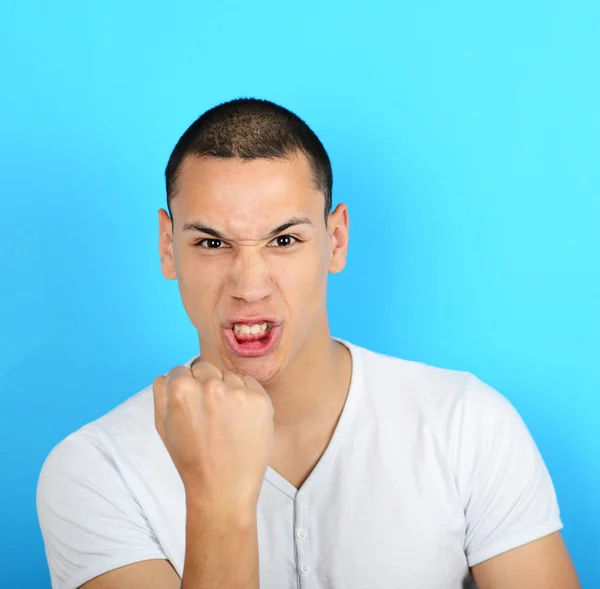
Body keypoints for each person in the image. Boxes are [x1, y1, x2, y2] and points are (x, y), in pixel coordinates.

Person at [36, 98, 581, 589]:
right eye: (211, 242)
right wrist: (220, 506)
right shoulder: (93, 470)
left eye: (284, 240)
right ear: (168, 248)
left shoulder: (467, 424)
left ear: (335, 241)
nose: (249, 286)